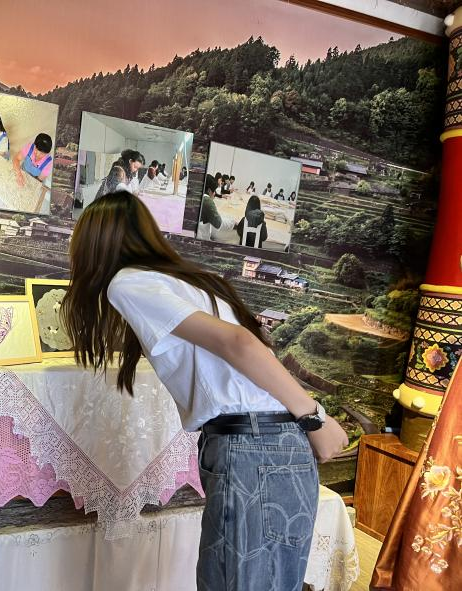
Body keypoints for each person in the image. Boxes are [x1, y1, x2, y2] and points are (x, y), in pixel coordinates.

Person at [60, 191, 347, 591]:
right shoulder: (186, 282)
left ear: (93, 243)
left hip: (253, 446)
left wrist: (315, 418)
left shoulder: (127, 283)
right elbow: (251, 350)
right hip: (273, 443)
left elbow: (239, 344)